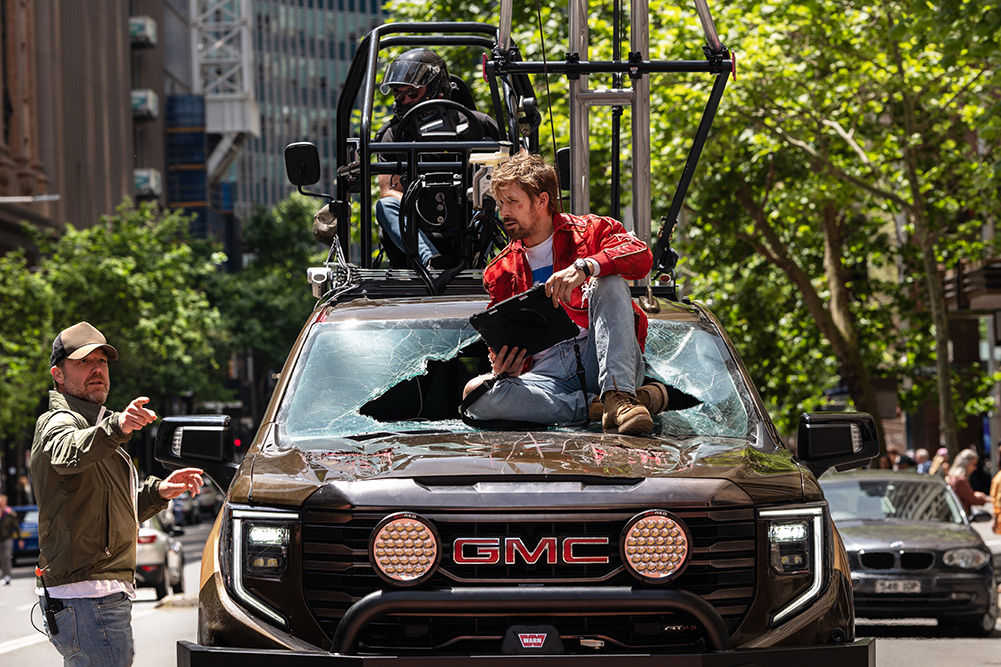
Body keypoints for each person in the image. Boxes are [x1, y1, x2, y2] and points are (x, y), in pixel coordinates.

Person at [31, 321, 205, 666]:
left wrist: (159, 492)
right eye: (84, 362)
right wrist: (118, 426)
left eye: (102, 361)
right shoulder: (60, 421)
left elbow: (106, 512)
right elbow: (68, 452)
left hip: (96, 595)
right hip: (88, 595)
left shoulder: (96, 424)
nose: (97, 369)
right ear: (58, 375)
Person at [461, 150, 669, 434]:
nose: (504, 212)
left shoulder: (590, 231)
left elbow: (641, 255)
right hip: (547, 377)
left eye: (512, 201)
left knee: (609, 281)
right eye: (500, 203)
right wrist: (506, 366)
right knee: (475, 394)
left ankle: (619, 396)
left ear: (542, 200)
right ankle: (599, 407)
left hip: (603, 360)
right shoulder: (499, 270)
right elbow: (506, 340)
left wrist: (586, 267)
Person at [374, 48, 500, 268]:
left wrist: (472, 199)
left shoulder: (478, 125)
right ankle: (432, 260)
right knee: (384, 206)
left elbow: (514, 173)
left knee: (495, 200)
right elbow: (388, 191)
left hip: (469, 213)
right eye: (399, 95)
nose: (405, 100)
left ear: (435, 87)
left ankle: (481, 256)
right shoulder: (392, 135)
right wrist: (424, 205)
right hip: (418, 220)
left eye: (412, 92)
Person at [946, 448, 990, 516]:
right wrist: (988, 500)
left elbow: (964, 494)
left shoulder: (952, 476)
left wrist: (975, 494)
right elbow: (971, 499)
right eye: (974, 464)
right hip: (960, 516)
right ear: (967, 464)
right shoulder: (960, 480)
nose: (975, 468)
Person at [0, 494, 18, 585]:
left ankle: (8, 575)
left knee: (7, 556)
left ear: (5, 502)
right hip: (0, 538)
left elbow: (16, 526)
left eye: (2, 501)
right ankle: (4, 575)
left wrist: (20, 538)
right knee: (2, 558)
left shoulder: (10, 513)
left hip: (8, 537)